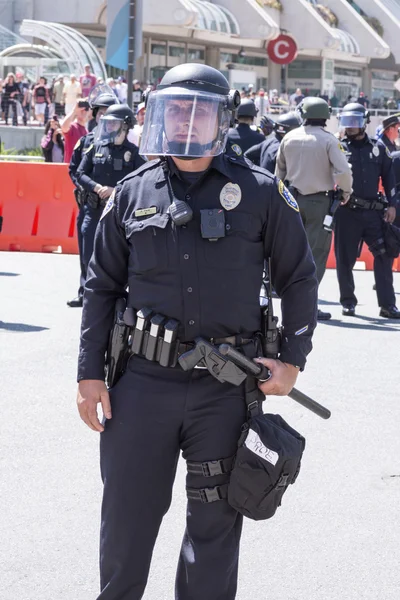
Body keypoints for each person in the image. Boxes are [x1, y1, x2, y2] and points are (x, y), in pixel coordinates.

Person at [76, 63, 318, 600]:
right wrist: (90, 374)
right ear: (160, 114)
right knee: (126, 526)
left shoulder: (259, 193)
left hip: (225, 391)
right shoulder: (132, 194)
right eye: (176, 108)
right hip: (141, 386)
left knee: (213, 535)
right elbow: (101, 289)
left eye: (199, 109)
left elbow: (299, 278)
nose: (187, 120)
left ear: (222, 118)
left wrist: (294, 359)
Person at [275, 96, 353, 321]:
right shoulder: (329, 140)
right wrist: (346, 192)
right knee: (315, 256)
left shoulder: (289, 137)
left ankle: (289, 302)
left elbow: (278, 172)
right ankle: (308, 307)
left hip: (290, 200)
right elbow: (343, 171)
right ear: (325, 117)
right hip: (320, 203)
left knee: (291, 252)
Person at [335, 103, 399, 318]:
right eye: (347, 122)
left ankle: (387, 305)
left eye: (354, 122)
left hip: (374, 213)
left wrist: (392, 205)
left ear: (365, 122)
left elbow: (390, 178)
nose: (350, 127)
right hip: (347, 212)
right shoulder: (338, 147)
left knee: (384, 256)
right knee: (345, 259)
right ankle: (348, 302)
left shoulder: (378, 147)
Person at [75, 103, 144, 303]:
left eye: (114, 123)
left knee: (116, 257)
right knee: (88, 253)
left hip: (117, 214)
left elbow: (141, 180)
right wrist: (96, 187)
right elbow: (80, 173)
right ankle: (88, 296)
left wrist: (117, 191)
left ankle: (115, 297)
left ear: (125, 126)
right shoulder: (96, 147)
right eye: (108, 123)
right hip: (94, 209)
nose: (110, 127)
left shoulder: (134, 153)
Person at [67, 90, 120, 308]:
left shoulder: (123, 145)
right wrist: (88, 188)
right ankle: (84, 292)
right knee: (86, 251)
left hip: (115, 208)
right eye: (101, 113)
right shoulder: (86, 142)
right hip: (90, 204)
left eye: (110, 113)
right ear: (95, 114)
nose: (104, 117)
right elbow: (74, 170)